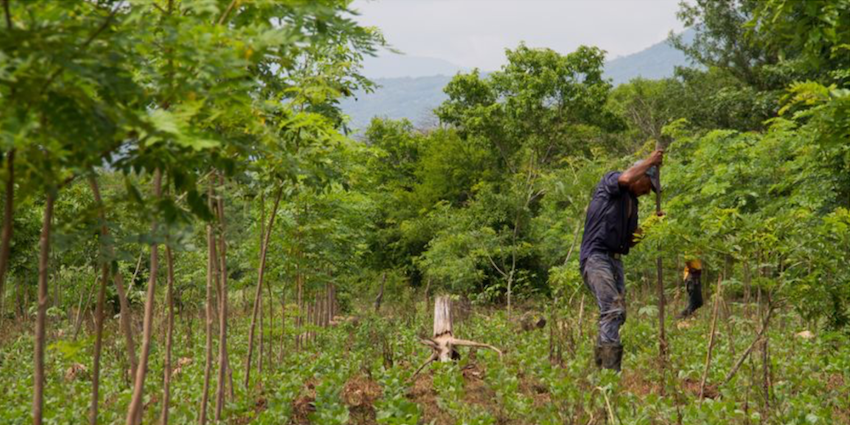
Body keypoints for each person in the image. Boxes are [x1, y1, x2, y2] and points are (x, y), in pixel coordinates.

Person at [579, 149, 664, 372]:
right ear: (641, 175)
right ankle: (609, 374)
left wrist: (650, 226)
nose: (648, 192)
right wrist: (651, 161)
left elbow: (629, 240)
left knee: (618, 314)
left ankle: (600, 368)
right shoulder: (611, 183)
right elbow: (626, 178)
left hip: (615, 261)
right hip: (596, 257)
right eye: (649, 185)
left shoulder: (632, 205)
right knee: (612, 310)